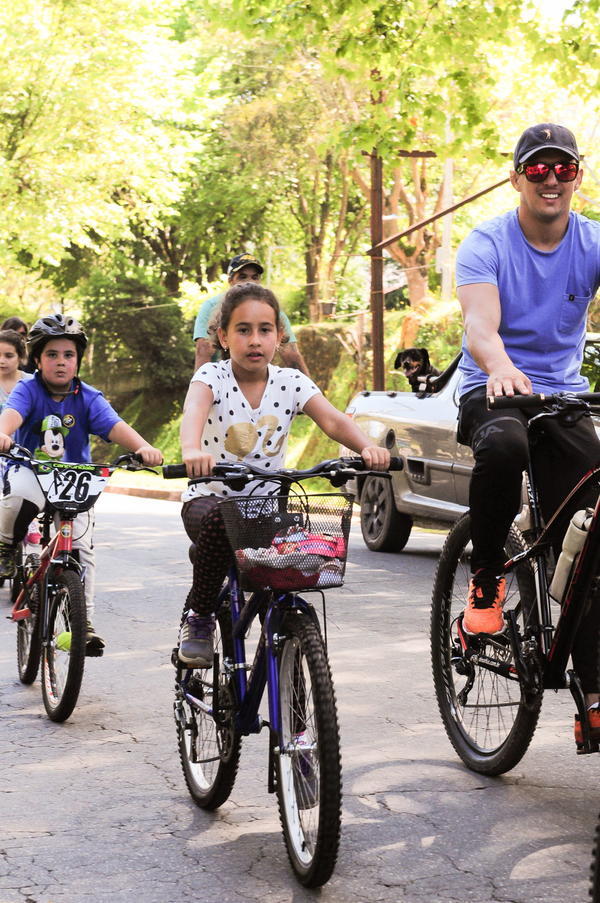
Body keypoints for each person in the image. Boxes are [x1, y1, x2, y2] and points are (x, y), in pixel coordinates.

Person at [455, 122, 600, 734]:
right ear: (516, 178)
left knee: (590, 531)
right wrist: (502, 367)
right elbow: (479, 327)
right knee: (505, 445)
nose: (550, 180)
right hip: (492, 388)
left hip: (562, 398)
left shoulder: (592, 241)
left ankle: (593, 696)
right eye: (537, 169)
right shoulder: (486, 242)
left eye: (562, 169)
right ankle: (487, 577)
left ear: (577, 177)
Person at [179, 281, 389, 667]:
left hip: (265, 507)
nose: (255, 340)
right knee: (218, 520)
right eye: (243, 330)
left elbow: (333, 420)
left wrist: (366, 448)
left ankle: (284, 641)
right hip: (209, 501)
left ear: (279, 336)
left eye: (265, 330)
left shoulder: (291, 382)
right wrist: (192, 450)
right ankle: (200, 616)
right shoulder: (212, 377)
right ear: (223, 337)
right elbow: (194, 410)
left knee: (295, 559)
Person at [0, 314, 163, 651]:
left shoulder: (88, 397)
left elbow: (115, 426)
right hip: (31, 469)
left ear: (78, 360)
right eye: (52, 355)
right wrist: (2, 433)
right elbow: (11, 416)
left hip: (74, 478)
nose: (61, 362)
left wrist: (144, 447)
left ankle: (82, 622)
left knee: (82, 549)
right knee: (18, 497)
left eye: (68, 355)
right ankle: (5, 545)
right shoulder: (27, 389)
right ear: (37, 360)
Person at [193, 253, 310, 376]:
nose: (249, 282)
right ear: (230, 281)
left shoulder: (273, 310)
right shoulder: (211, 307)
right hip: (220, 379)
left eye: (255, 277)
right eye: (242, 277)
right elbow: (203, 350)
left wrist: (308, 386)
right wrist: (200, 383)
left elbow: (291, 354)